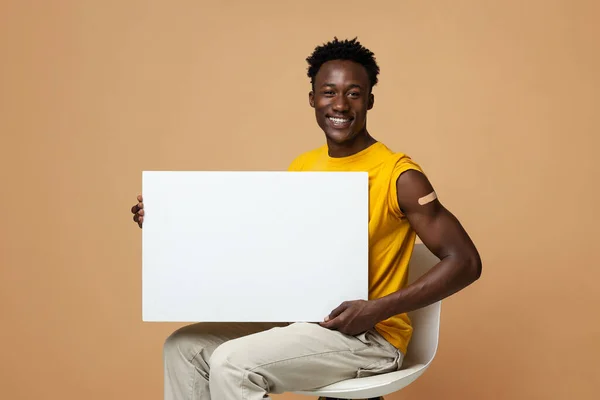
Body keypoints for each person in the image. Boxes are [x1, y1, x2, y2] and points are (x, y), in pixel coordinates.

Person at [131, 37, 482, 400]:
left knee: (232, 364)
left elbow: (466, 262)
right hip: (304, 323)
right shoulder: (303, 166)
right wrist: (173, 223)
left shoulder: (400, 175)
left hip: (369, 337)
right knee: (183, 348)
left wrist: (376, 309)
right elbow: (259, 244)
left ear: (370, 101)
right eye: (329, 92)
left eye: (354, 93)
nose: (340, 105)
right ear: (313, 99)